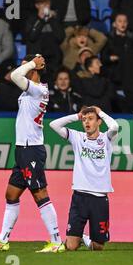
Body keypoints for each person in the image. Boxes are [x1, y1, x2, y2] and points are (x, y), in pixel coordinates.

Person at [0, 54, 65, 253]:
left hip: (31, 149)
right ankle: (2, 240)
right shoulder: (31, 90)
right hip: (22, 149)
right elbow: (15, 76)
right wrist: (31, 64)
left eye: (26, 66)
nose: (22, 69)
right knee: (11, 194)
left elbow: (14, 76)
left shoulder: (38, 89)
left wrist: (32, 63)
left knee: (39, 193)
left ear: (34, 69)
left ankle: (56, 241)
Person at [49, 106, 118, 251]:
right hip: (79, 197)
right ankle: (76, 238)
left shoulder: (106, 139)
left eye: (91, 119)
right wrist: (76, 116)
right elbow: (53, 125)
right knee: (71, 247)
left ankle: (84, 238)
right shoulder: (77, 137)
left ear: (99, 122)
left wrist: (100, 112)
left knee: (98, 247)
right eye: (85, 119)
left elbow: (115, 126)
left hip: (99, 198)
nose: (87, 122)